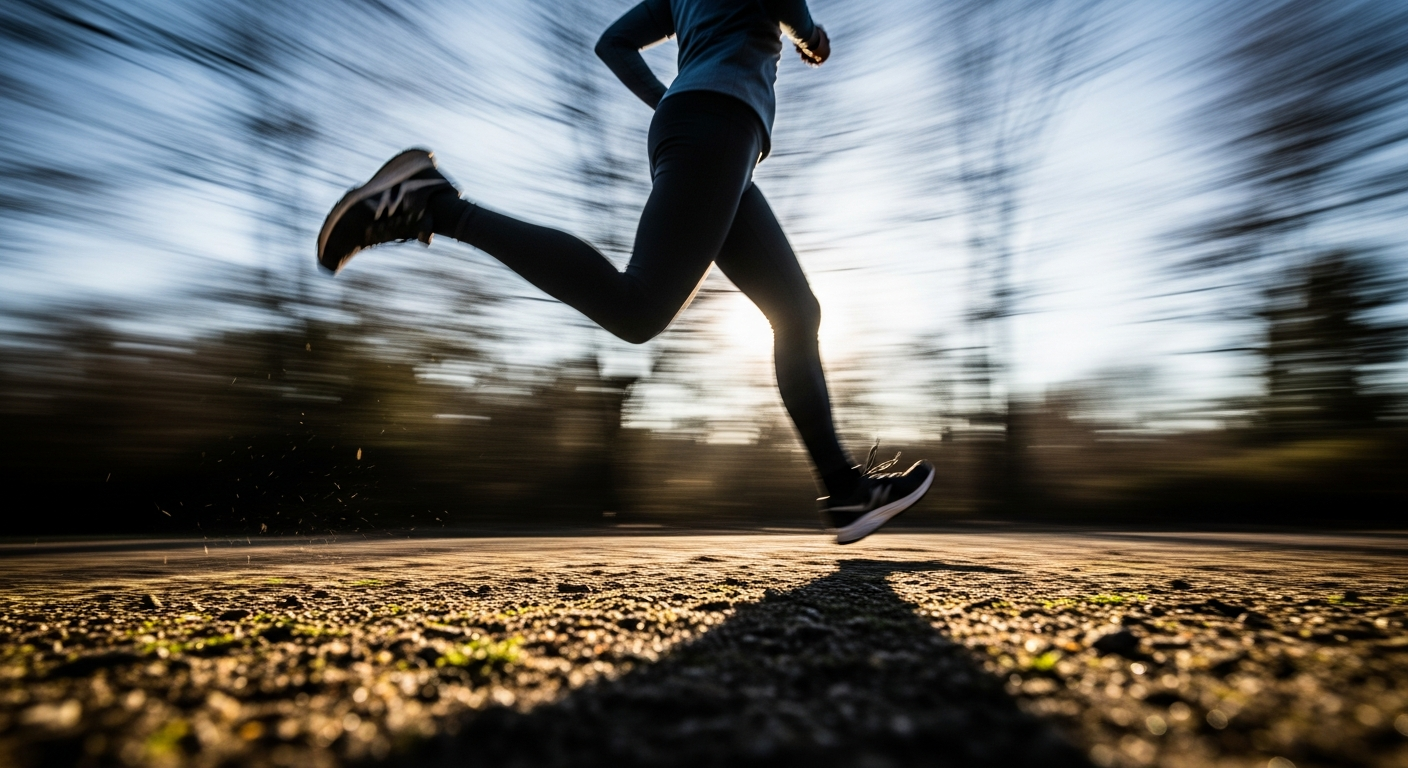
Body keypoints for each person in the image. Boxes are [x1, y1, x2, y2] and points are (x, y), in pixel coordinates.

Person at [315, 0, 933, 544]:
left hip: (711, 131)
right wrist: (807, 28)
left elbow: (612, 41)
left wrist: (671, 98)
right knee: (637, 309)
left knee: (797, 312)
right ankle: (434, 206)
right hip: (716, 126)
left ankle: (845, 490)